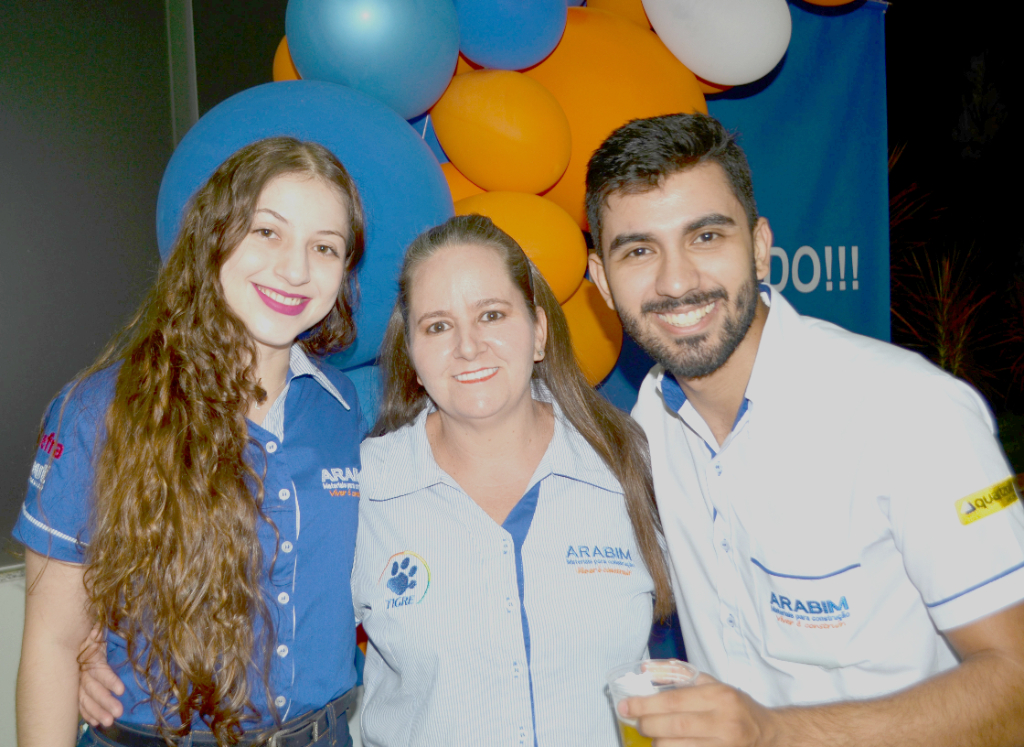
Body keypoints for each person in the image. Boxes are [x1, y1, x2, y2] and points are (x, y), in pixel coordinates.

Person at [584, 112, 1024, 746]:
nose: (676, 282)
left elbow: (1015, 682)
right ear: (601, 279)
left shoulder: (911, 413)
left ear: (760, 247)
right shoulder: (650, 424)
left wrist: (772, 733)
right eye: (639, 250)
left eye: (706, 237)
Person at [15, 136, 366, 747]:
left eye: (325, 248)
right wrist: (85, 651)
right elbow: (52, 642)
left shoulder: (344, 410)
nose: (295, 269)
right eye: (267, 232)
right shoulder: (102, 409)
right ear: (214, 236)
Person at [350, 214, 673, 746]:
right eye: (437, 325)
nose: (468, 346)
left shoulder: (632, 464)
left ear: (539, 331)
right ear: (411, 351)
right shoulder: (363, 489)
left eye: (492, 315)